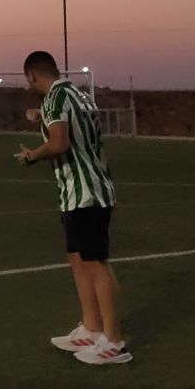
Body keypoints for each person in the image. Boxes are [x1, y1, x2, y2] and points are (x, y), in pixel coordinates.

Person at [16, 50, 127, 366]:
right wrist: (40, 116)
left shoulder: (54, 98)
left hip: (86, 193)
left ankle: (113, 340)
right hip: (81, 192)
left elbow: (60, 143)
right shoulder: (78, 95)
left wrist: (32, 155)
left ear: (32, 75)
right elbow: (71, 124)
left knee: (96, 264)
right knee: (78, 259)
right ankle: (92, 328)